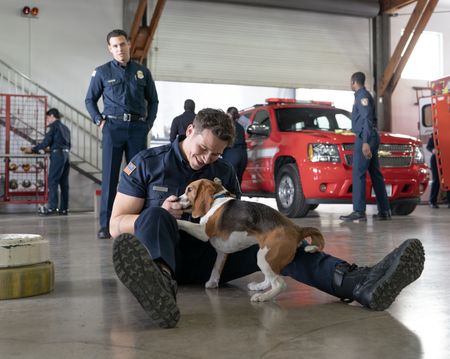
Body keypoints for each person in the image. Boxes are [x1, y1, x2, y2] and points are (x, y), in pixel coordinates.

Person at [109, 108, 424, 329]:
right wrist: (161, 214)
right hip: (165, 255)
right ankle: (160, 289)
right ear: (190, 130)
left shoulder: (223, 172)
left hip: (213, 256)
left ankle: (357, 283)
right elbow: (116, 224)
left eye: (215, 154)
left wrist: (277, 231)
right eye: (203, 148)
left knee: (276, 241)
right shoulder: (148, 163)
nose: (206, 159)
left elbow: (242, 222)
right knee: (152, 215)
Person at [85, 29, 159, 239]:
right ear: (110, 49)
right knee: (109, 178)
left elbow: (153, 101)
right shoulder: (101, 72)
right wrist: (99, 121)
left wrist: (148, 124)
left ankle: (138, 222)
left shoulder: (143, 72)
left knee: (139, 177)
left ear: (129, 44)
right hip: (113, 130)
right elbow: (90, 100)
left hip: (137, 130)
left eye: (122, 44)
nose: (119, 49)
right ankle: (106, 225)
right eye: (115, 46)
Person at [340, 72, 391, 222]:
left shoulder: (362, 96)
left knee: (358, 174)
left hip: (365, 136)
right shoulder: (363, 95)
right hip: (371, 136)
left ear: (353, 81)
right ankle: (384, 210)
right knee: (376, 175)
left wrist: (365, 142)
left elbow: (367, 119)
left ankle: (359, 211)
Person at [22, 108, 71, 215]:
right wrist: (52, 148)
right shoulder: (65, 128)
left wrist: (33, 149)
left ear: (52, 116)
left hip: (58, 155)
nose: (47, 120)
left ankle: (52, 208)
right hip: (66, 155)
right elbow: (66, 144)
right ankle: (64, 209)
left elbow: (46, 142)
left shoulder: (53, 127)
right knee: (64, 183)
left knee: (52, 180)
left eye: (48, 117)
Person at [222, 106, 248, 184]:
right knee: (238, 181)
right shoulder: (240, 127)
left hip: (231, 153)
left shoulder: (227, 127)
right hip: (243, 154)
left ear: (228, 114)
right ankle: (237, 196)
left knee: (230, 181)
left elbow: (223, 140)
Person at [427, 134, 450, 208]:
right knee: (436, 180)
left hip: (447, 158)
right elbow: (429, 146)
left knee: (448, 180)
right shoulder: (434, 134)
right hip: (436, 159)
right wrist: (433, 150)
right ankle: (432, 201)